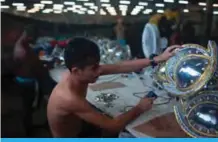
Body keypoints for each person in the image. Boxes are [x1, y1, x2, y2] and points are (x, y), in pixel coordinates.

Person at [47, 37, 181, 138]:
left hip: (79, 126)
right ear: (76, 71)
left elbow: (120, 66)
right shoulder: (70, 99)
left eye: (98, 65)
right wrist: (140, 108)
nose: (99, 71)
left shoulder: (74, 74)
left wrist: (157, 59)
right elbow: (113, 126)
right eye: (94, 68)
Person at [13, 26, 56, 136]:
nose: (33, 38)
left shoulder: (22, 46)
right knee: (28, 108)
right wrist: (46, 65)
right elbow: (36, 69)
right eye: (30, 36)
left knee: (27, 107)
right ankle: (28, 130)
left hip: (24, 82)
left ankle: (29, 126)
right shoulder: (23, 50)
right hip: (27, 84)